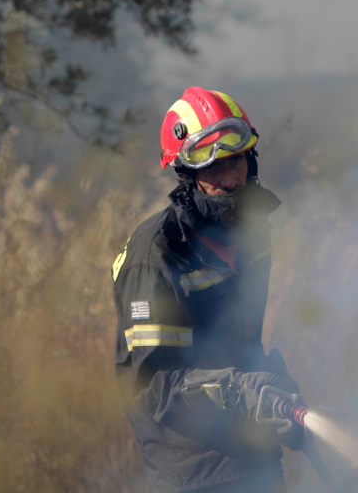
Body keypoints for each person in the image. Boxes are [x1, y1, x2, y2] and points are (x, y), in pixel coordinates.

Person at [111, 87, 303, 493]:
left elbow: (236, 343)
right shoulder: (156, 256)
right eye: (213, 169)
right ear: (186, 173)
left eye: (234, 162)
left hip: (254, 452)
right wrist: (241, 392)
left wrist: (273, 391)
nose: (229, 180)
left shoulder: (251, 235)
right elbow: (155, 386)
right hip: (195, 471)